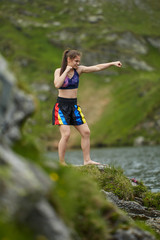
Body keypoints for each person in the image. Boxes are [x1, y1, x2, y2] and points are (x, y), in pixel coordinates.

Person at [52, 49, 122, 165]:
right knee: (66, 134)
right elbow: (57, 84)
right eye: (76, 61)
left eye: (79, 61)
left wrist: (112, 63)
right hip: (62, 107)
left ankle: (87, 160)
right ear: (69, 59)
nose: (78, 64)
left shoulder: (79, 70)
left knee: (86, 132)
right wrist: (66, 70)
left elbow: (97, 67)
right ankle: (62, 163)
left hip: (74, 107)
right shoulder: (58, 71)